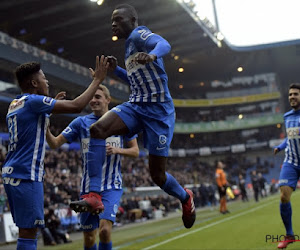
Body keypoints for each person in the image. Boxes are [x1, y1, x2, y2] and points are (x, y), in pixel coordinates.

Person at [70, 4, 196, 229]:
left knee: (157, 175)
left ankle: (186, 198)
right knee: (97, 130)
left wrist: (153, 55)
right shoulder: (128, 47)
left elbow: (163, 43)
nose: (113, 24)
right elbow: (135, 80)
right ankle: (95, 194)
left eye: (118, 19)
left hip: (159, 113)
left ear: (133, 19)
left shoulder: (140, 34)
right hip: (137, 106)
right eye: (112, 20)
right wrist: (116, 71)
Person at [1, 56, 109, 250]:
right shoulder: (34, 101)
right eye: (44, 78)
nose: (47, 82)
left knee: (26, 232)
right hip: (26, 175)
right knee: (29, 234)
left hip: (12, 173)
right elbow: (76, 106)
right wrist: (97, 80)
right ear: (34, 83)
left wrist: (48, 111)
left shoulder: (16, 103)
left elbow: (31, 125)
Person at [46, 85, 139, 250]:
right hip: (88, 188)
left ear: (108, 100)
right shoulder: (80, 123)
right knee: (89, 237)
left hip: (111, 185)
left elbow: (135, 151)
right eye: (92, 97)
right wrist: (45, 120)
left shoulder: (122, 122)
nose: (93, 100)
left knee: (104, 231)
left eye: (98, 97)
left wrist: (118, 150)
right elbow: (54, 143)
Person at [274, 83, 300, 249]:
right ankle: (289, 235)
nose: (292, 97)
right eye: (290, 94)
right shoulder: (287, 116)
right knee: (284, 196)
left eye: (296, 94)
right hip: (291, 161)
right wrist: (281, 147)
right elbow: (290, 138)